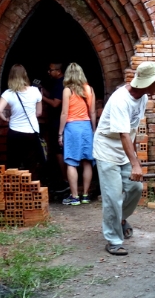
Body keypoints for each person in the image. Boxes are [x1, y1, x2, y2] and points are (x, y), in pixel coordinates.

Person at [94, 61, 155, 256]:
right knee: (112, 197)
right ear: (147, 82)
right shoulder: (121, 100)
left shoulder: (142, 97)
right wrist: (135, 163)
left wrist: (134, 159)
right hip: (107, 150)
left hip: (124, 150)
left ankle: (120, 219)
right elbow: (123, 134)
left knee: (135, 187)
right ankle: (113, 240)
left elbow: (132, 131)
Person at [0, 64, 44, 173]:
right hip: (31, 132)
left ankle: (14, 188)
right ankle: (31, 188)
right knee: (31, 165)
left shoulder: (8, 93)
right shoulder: (35, 91)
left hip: (14, 132)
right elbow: (39, 113)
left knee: (13, 164)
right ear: (25, 75)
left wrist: (5, 119)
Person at [58, 63, 97, 206]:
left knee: (71, 162)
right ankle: (85, 195)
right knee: (87, 161)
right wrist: (93, 130)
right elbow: (92, 112)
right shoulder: (89, 89)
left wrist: (60, 133)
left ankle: (74, 197)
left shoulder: (67, 90)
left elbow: (64, 113)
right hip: (86, 127)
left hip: (72, 128)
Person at [42, 63, 67, 188]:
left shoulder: (60, 84)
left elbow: (55, 103)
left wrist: (41, 97)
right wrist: (42, 89)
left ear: (58, 71)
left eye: (50, 70)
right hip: (55, 121)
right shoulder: (57, 83)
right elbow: (52, 96)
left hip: (58, 122)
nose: (48, 72)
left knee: (59, 150)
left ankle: (65, 179)